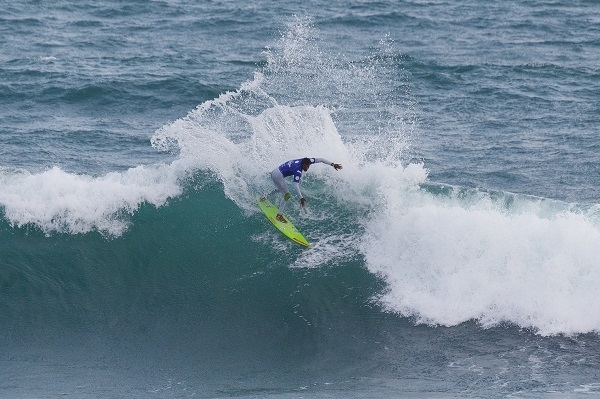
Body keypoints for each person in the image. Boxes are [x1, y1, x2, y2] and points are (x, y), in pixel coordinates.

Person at [267, 157, 343, 223]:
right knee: (287, 195)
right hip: (278, 176)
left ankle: (264, 197)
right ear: (302, 164)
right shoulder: (298, 170)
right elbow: (295, 185)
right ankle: (279, 215)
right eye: (305, 166)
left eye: (308, 166)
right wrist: (301, 198)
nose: (307, 168)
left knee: (280, 189)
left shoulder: (306, 160)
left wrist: (332, 164)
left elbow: (321, 159)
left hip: (275, 171)